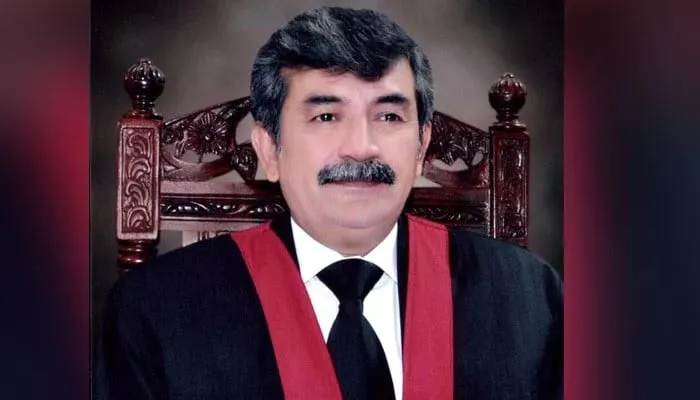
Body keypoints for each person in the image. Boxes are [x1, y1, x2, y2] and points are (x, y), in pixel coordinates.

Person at [96, 6, 562, 400]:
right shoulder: (156, 311)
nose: (361, 147)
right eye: (325, 116)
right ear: (269, 150)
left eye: (388, 116)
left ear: (421, 147)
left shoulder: (528, 299)